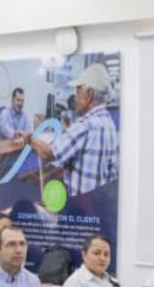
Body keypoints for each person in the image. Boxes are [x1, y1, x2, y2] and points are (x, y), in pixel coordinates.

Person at [23, 63, 118, 197]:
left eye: (77, 91)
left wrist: (29, 138)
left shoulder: (85, 125)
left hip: (81, 206)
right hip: (100, 204)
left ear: (88, 94)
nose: (75, 97)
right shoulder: (109, 124)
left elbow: (49, 154)